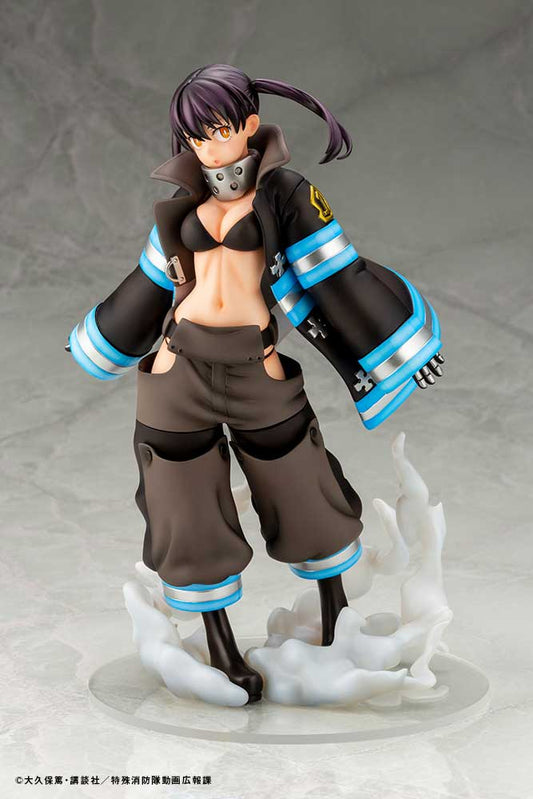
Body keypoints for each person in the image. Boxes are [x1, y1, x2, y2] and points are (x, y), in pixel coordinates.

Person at [67, 64, 444, 704]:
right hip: (178, 367)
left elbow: (341, 274)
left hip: (255, 366)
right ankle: (220, 648)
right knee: (183, 504)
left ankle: (336, 622)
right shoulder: (183, 199)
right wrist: (98, 339)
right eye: (195, 135)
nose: (208, 147)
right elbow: (150, 283)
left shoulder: (287, 194)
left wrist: (404, 351)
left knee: (304, 486)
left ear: (248, 123)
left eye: (218, 130)